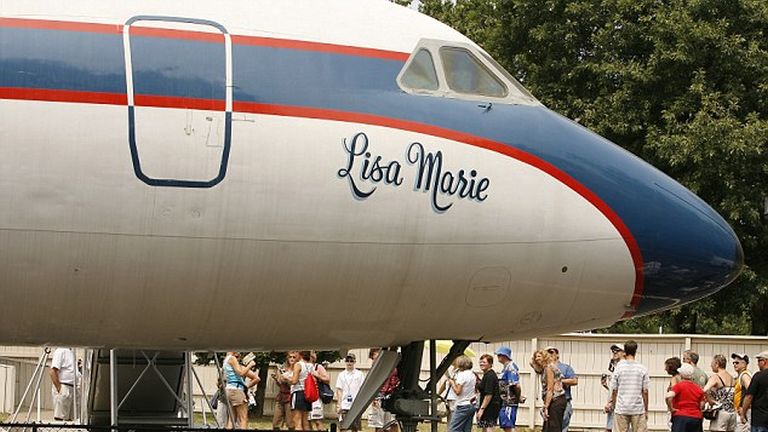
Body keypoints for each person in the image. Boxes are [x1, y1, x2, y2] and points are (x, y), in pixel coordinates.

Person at [606, 340, 649, 432]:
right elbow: (645, 391)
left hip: (621, 408)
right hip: (638, 408)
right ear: (635, 351)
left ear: (625, 351)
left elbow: (614, 390)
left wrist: (614, 405)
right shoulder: (642, 368)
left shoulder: (618, 368)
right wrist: (646, 409)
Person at [531, 349, 566, 432]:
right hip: (554, 400)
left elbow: (550, 388)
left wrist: (546, 406)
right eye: (536, 357)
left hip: (556, 400)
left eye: (539, 356)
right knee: (547, 428)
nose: (537, 358)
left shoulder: (549, 368)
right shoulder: (544, 369)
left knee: (553, 427)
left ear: (544, 357)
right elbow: (532, 363)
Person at [546, 346, 578, 432]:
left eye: (552, 352)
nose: (550, 354)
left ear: (557, 354)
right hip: (550, 403)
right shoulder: (545, 368)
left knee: (562, 428)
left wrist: (559, 381)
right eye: (547, 353)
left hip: (564, 402)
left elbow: (574, 381)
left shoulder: (565, 367)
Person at [666, 363, 706, 432]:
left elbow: (668, 397)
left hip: (681, 417)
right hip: (696, 418)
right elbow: (702, 405)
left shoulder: (679, 386)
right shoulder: (698, 388)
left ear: (681, 374)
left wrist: (671, 408)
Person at [368, 348, 400, 432]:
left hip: (390, 395)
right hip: (379, 395)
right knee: (379, 424)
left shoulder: (391, 365)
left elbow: (394, 380)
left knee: (392, 422)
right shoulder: (374, 368)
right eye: (375, 355)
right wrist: (374, 398)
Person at [223, 351, 256, 429]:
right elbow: (240, 373)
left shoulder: (226, 359)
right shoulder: (232, 358)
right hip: (237, 390)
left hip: (229, 389)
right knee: (243, 418)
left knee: (232, 418)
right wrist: (250, 365)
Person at [704, 354, 736, 432]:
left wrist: (711, 401)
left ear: (717, 364)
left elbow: (704, 390)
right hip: (732, 413)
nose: (710, 366)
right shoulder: (732, 378)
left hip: (721, 413)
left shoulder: (716, 377)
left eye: (712, 363)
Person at [336, 353, 365, 432]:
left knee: (355, 428)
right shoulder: (341, 375)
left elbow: (362, 389)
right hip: (344, 404)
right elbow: (339, 390)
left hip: (355, 404)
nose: (349, 363)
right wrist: (339, 404)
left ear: (354, 362)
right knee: (343, 427)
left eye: (351, 361)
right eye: (347, 361)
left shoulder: (359, 374)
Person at [446, 355, 476, 432]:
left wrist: (452, 383)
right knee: (466, 429)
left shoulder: (462, 375)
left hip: (462, 405)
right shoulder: (472, 374)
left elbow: (458, 392)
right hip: (471, 404)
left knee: (453, 429)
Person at [285, 351, 313, 431]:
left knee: (297, 422)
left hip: (298, 393)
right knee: (306, 422)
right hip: (307, 393)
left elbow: (294, 381)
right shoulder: (310, 365)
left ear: (300, 354)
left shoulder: (298, 365)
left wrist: (286, 378)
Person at [741, 351, 768, 432]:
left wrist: (743, 413)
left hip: (760, 419)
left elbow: (749, 396)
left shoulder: (758, 376)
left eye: (759, 361)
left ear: (765, 361)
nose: (757, 364)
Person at [496, 347, 522, 432]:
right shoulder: (505, 367)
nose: (498, 357)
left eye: (499, 355)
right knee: (505, 425)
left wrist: (518, 397)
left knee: (508, 426)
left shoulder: (511, 368)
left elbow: (516, 385)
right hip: (504, 402)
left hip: (509, 402)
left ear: (505, 356)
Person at [476, 354, 502, 432]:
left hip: (490, 407)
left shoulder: (490, 376)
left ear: (490, 364)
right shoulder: (486, 374)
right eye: (480, 362)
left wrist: (482, 409)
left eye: (484, 362)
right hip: (487, 407)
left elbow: (489, 394)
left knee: (488, 429)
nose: (481, 364)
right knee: (485, 428)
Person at [49, 348, 76, 421]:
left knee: (71, 418)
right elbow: (52, 371)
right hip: (64, 385)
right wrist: (59, 388)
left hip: (72, 387)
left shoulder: (71, 352)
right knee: (61, 416)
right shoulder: (61, 351)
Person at [603, 344, 625, 432]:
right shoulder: (615, 366)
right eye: (613, 351)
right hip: (613, 402)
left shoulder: (622, 367)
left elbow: (620, 387)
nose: (614, 352)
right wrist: (606, 386)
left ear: (624, 353)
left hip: (618, 404)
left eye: (617, 351)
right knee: (609, 428)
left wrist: (611, 402)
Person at [272, 353, 296, 430]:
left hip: (290, 397)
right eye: (290, 357)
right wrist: (276, 378)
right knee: (276, 421)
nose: (292, 359)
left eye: (294, 357)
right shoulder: (283, 369)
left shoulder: (297, 370)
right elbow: (280, 384)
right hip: (281, 396)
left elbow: (294, 384)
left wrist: (287, 379)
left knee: (290, 422)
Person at [309, 351, 331, 431]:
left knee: (317, 421)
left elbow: (327, 380)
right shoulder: (302, 366)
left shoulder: (318, 367)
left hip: (316, 398)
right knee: (307, 422)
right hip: (305, 397)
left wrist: (317, 375)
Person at [732, 353, 752, 432]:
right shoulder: (740, 376)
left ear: (744, 364)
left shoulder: (744, 376)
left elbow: (750, 391)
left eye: (737, 363)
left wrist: (744, 409)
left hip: (744, 412)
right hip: (741, 411)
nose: (734, 364)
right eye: (733, 363)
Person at [437, 357, 460, 425]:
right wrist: (438, 394)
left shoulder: (460, 372)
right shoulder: (452, 371)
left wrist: (451, 380)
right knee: (449, 420)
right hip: (448, 399)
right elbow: (445, 383)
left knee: (453, 420)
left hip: (454, 399)